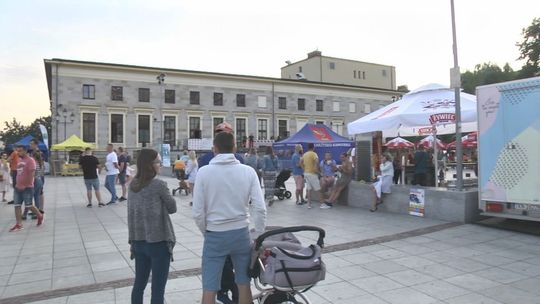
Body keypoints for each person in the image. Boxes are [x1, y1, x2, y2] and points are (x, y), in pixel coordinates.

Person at [192, 131, 266, 304]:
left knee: (210, 287)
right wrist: (259, 234)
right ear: (234, 148)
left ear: (214, 149)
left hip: (215, 234)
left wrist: (207, 231)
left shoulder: (204, 172)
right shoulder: (248, 171)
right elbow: (260, 208)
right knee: (243, 283)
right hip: (241, 233)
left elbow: (197, 212)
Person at [128, 149, 177, 304]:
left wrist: (132, 241)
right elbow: (172, 208)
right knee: (157, 289)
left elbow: (131, 214)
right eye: (157, 161)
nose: (160, 164)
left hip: (138, 242)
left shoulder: (133, 185)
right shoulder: (159, 185)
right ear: (150, 165)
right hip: (158, 243)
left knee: (139, 285)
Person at [9, 145, 44, 232]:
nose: (18, 152)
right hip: (18, 187)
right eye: (17, 151)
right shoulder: (19, 160)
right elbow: (19, 173)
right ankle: (19, 224)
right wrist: (17, 183)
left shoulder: (31, 161)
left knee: (28, 205)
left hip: (27, 187)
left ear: (25, 151)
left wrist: (25, 185)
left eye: (20, 151)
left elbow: (32, 175)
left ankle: (39, 215)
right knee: (17, 205)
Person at [23, 142, 44, 220]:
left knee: (28, 197)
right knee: (36, 198)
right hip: (39, 180)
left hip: (34, 180)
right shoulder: (39, 163)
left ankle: (25, 214)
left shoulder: (33, 163)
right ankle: (36, 214)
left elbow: (31, 173)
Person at [300, 143, 321, 209]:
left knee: (309, 189)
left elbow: (300, 163)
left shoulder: (305, 154)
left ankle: (309, 204)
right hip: (312, 173)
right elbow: (317, 161)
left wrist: (304, 168)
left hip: (306, 173)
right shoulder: (314, 154)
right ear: (313, 147)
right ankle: (322, 203)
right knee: (319, 189)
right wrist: (316, 170)